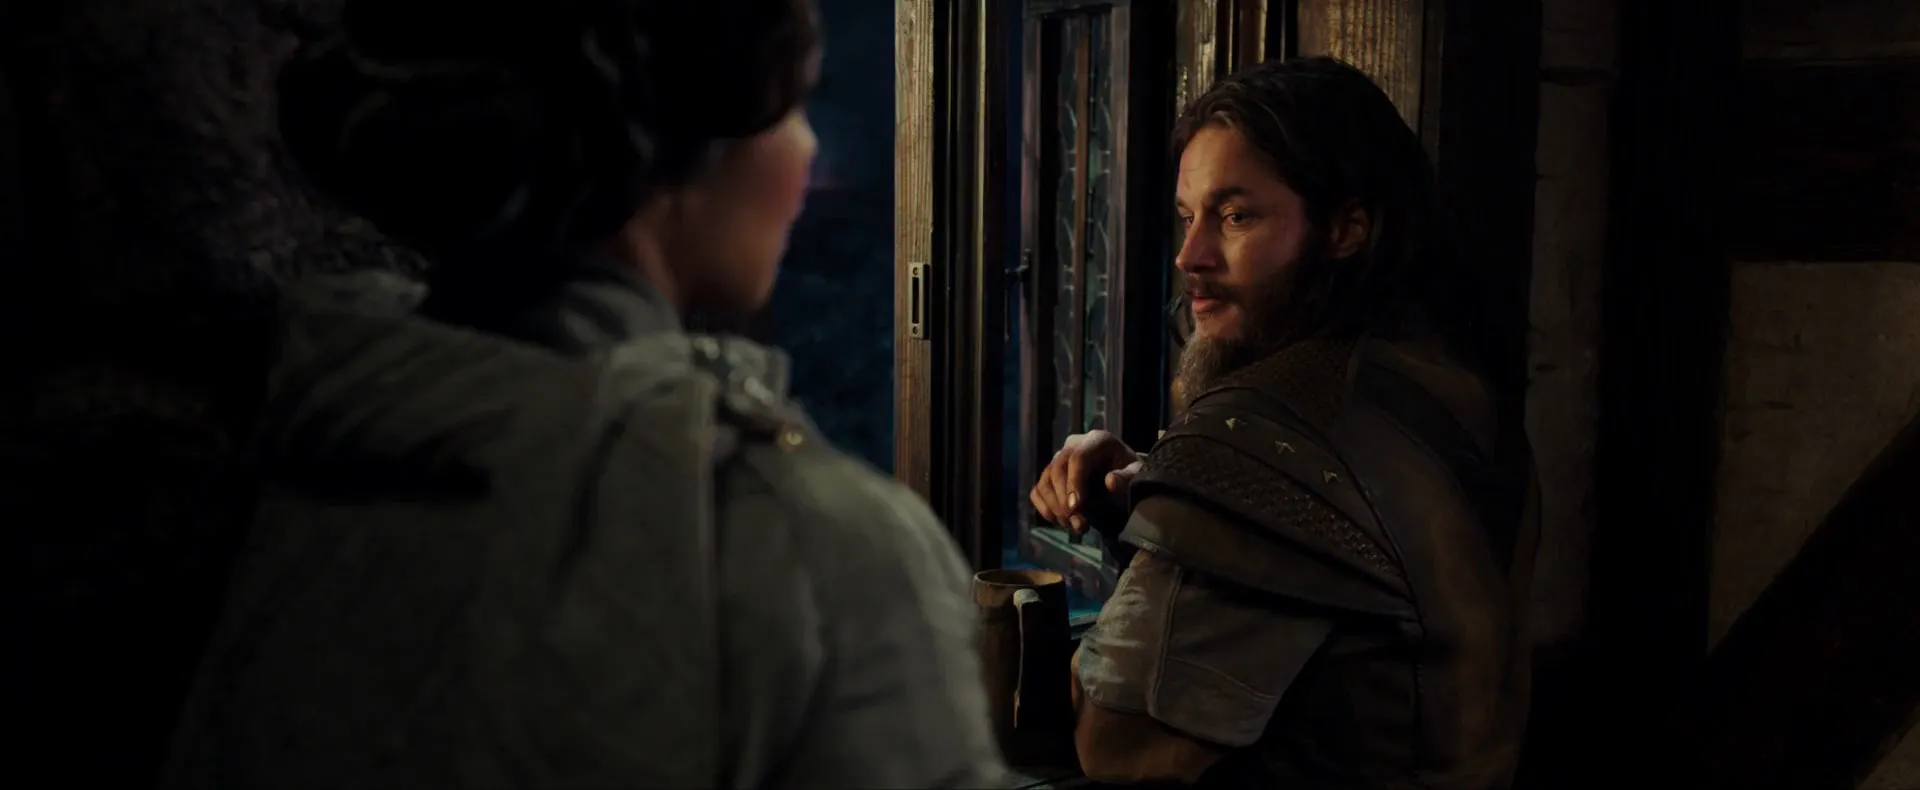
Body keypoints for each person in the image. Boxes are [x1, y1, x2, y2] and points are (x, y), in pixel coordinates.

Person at [160, 1, 1005, 787]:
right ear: (674, 158)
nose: (807, 150)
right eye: (789, 108)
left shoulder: (319, 433)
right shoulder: (816, 549)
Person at [1030, 57, 1541, 788]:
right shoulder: (1451, 386)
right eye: (1188, 216)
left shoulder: (1264, 432)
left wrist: (1198, 484)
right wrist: (1151, 495)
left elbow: (1115, 741)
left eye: (1236, 216)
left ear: (1344, 229)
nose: (1190, 255)